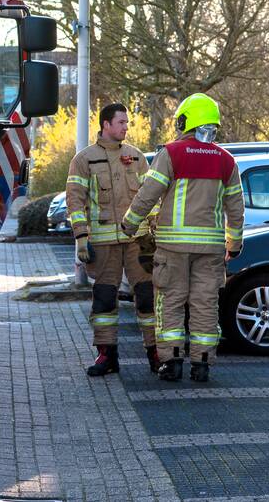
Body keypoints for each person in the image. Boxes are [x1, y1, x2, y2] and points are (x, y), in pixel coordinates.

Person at [121, 93, 245, 383]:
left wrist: (129, 223)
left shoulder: (172, 153)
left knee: (171, 302)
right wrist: (234, 244)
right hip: (212, 249)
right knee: (205, 305)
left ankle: (172, 362)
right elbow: (236, 209)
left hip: (173, 247)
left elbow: (148, 194)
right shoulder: (226, 161)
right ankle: (202, 364)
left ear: (186, 120)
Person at [65, 103, 159, 377]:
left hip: (138, 241)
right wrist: (81, 238)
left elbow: (151, 196)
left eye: (127, 123)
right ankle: (107, 356)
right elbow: (74, 201)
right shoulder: (84, 160)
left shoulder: (137, 156)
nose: (126, 127)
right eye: (121, 122)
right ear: (106, 124)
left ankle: (156, 353)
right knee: (105, 299)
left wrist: (155, 229)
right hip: (103, 244)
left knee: (147, 297)